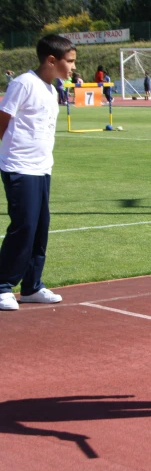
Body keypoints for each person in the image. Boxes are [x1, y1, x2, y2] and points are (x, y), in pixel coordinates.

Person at [0, 35, 76, 311]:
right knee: (24, 226)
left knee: (40, 228)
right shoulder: (23, 83)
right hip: (19, 166)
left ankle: (32, 286)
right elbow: (3, 118)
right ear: (51, 60)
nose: (72, 67)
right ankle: (2, 285)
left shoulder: (52, 89)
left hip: (42, 168)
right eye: (69, 61)